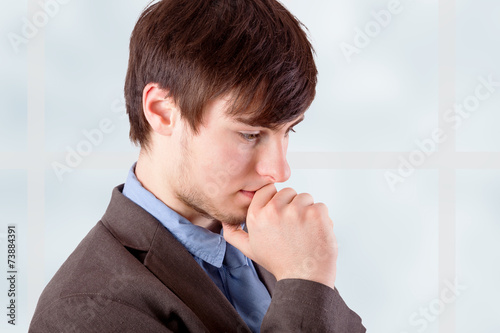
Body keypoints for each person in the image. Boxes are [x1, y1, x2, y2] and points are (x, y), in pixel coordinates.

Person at [29, 0, 366, 331]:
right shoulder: (82, 310)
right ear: (162, 110)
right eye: (250, 134)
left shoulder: (280, 242)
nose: (279, 171)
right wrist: (305, 282)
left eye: (288, 130)